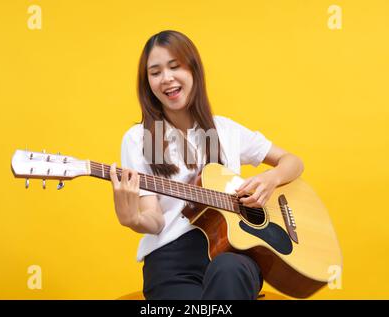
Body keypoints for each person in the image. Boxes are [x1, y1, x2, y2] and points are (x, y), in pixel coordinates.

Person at [109, 30, 304, 300]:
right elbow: (154, 220)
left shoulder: (225, 130)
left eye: (175, 67)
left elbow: (293, 162)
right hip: (173, 263)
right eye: (155, 73)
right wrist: (134, 219)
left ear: (194, 70)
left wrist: (271, 179)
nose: (167, 78)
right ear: (148, 83)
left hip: (234, 253)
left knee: (229, 271)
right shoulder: (142, 138)